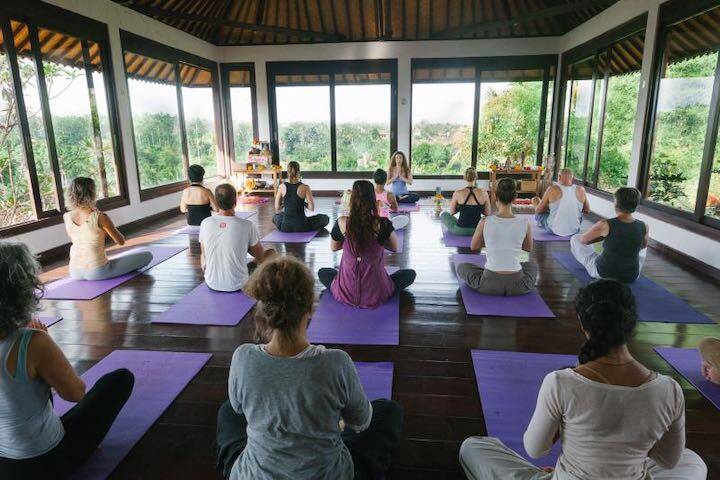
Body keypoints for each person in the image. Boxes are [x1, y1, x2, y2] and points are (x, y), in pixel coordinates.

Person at [459, 279, 708, 480]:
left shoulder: (561, 382)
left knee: (473, 447)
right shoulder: (669, 389)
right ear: (631, 324)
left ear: (582, 322)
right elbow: (669, 460)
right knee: (692, 461)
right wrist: (631, 441)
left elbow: (535, 449)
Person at [216, 256, 403, 480]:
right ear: (311, 307)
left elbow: (238, 409)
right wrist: (338, 423)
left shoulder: (243, 357)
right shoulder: (336, 362)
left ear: (263, 309)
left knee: (227, 410)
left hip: (254, 475)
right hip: (329, 474)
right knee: (388, 411)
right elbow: (362, 422)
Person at [0, 241, 134, 479]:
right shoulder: (32, 342)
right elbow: (75, 394)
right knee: (120, 380)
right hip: (42, 463)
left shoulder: (28, 341)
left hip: (5, 466)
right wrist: (43, 345)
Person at [318, 180, 416, 309]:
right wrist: (377, 241)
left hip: (345, 294)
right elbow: (394, 247)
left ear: (352, 200)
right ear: (373, 199)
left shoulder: (342, 223)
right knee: (409, 274)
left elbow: (334, 247)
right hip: (377, 293)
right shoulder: (382, 224)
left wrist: (353, 239)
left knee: (323, 272)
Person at [456, 178, 537, 296]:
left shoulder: (485, 221)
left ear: (495, 196)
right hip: (518, 285)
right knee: (531, 266)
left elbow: (474, 246)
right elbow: (528, 248)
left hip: (489, 284)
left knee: (462, 267)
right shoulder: (525, 222)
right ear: (515, 198)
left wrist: (490, 242)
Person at [64, 177, 152, 281]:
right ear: (91, 193)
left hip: (74, 271)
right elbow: (120, 241)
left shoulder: (67, 216)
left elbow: (78, 239)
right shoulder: (100, 217)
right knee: (147, 256)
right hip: (97, 272)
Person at [200, 183, 275, 292]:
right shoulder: (246, 225)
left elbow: (204, 253)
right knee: (271, 253)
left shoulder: (205, 223)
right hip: (238, 284)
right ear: (235, 202)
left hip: (211, 283)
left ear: (216, 202)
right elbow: (260, 256)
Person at [570, 187, 648, 284]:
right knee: (644, 247)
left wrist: (600, 238)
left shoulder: (605, 224)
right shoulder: (644, 226)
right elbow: (643, 246)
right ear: (636, 205)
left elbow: (583, 240)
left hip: (604, 273)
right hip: (631, 276)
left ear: (616, 203)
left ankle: (604, 260)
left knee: (575, 238)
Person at [273, 161, 329, 232]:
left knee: (276, 216)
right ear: (298, 172)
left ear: (288, 172)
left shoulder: (281, 187)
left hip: (285, 227)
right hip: (302, 226)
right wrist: (302, 203)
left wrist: (287, 203)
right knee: (325, 218)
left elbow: (277, 207)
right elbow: (311, 208)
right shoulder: (305, 187)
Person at [532, 168, 590, 237]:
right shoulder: (581, 189)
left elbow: (539, 210)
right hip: (575, 230)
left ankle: (540, 222)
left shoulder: (552, 188)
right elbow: (587, 210)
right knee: (580, 214)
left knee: (535, 199)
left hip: (553, 229)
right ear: (572, 178)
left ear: (559, 177)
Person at [440, 167, 490, 236]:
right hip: (478, 230)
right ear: (476, 178)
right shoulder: (484, 193)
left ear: (464, 178)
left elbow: (452, 212)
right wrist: (478, 208)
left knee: (443, 214)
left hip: (460, 230)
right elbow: (487, 213)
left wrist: (460, 207)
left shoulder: (457, 193)